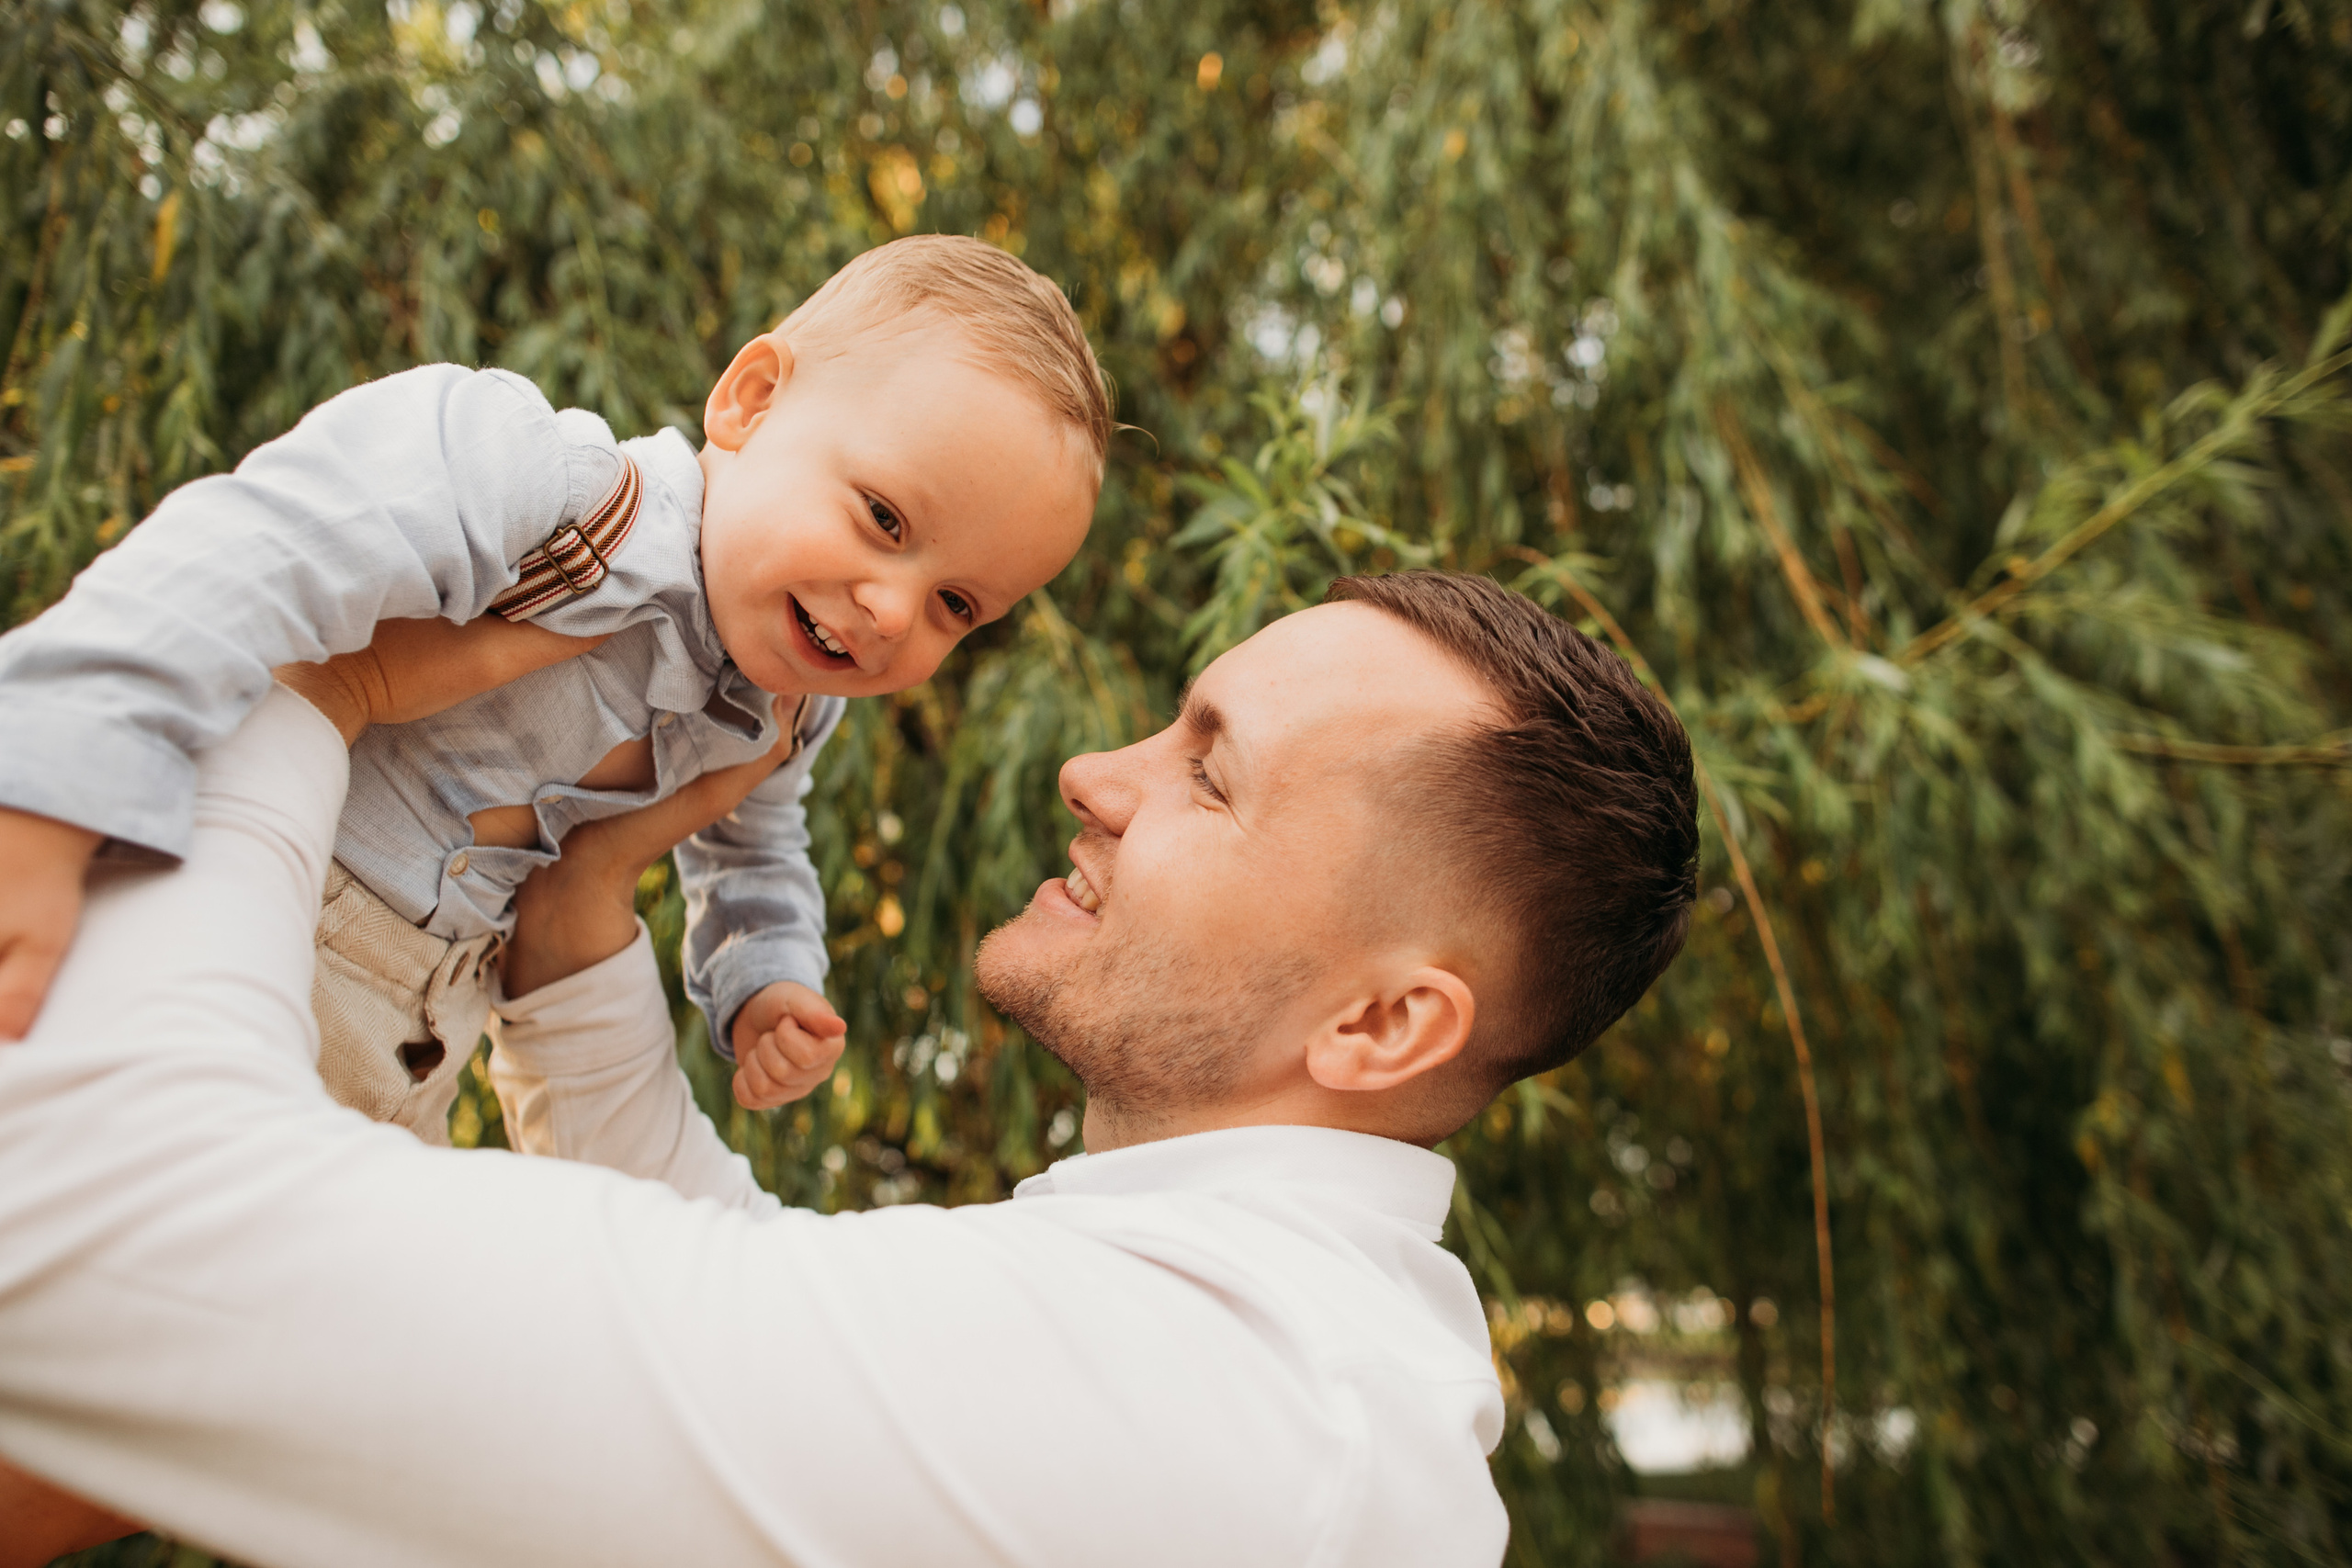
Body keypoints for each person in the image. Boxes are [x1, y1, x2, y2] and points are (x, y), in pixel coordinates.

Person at [0, 572, 1698, 1568]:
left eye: (1212, 775)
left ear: (1382, 1027)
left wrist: (291, 685)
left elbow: (99, 1242)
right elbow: (748, 1314)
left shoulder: (1214, 1407)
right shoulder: (1290, 1357)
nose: (1093, 776)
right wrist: (580, 914)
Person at [0, 234, 1107, 1137]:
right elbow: (253, 552)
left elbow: (756, 853)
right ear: (751, 401)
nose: (894, 612)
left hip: (421, 1038)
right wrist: (53, 783)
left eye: (958, 606)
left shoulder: (785, 711)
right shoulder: (557, 494)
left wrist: (766, 979)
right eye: (883, 519)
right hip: (238, 901)